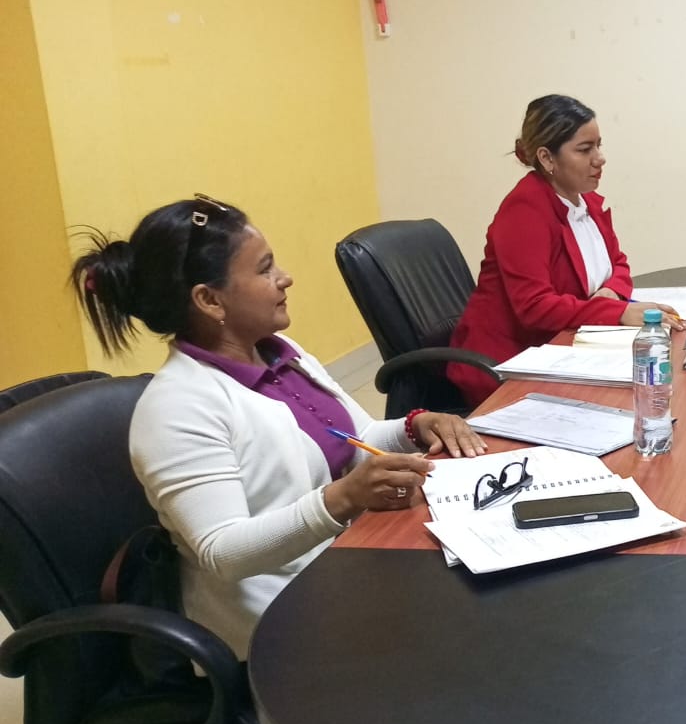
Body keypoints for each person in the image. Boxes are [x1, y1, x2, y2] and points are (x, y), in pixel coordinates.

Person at [72, 197, 486, 659]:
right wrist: (342, 497)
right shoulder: (178, 407)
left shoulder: (278, 351)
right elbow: (223, 553)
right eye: (265, 269)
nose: (285, 278)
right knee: (465, 635)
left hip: (348, 567)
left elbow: (353, 439)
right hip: (279, 624)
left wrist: (416, 426)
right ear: (209, 300)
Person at [448, 94, 684, 407]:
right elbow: (534, 306)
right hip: (508, 367)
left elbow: (618, 263)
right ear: (547, 158)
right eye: (585, 149)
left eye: (598, 145)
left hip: (566, 350)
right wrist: (618, 311)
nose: (599, 158)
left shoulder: (584, 201)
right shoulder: (525, 210)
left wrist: (612, 293)